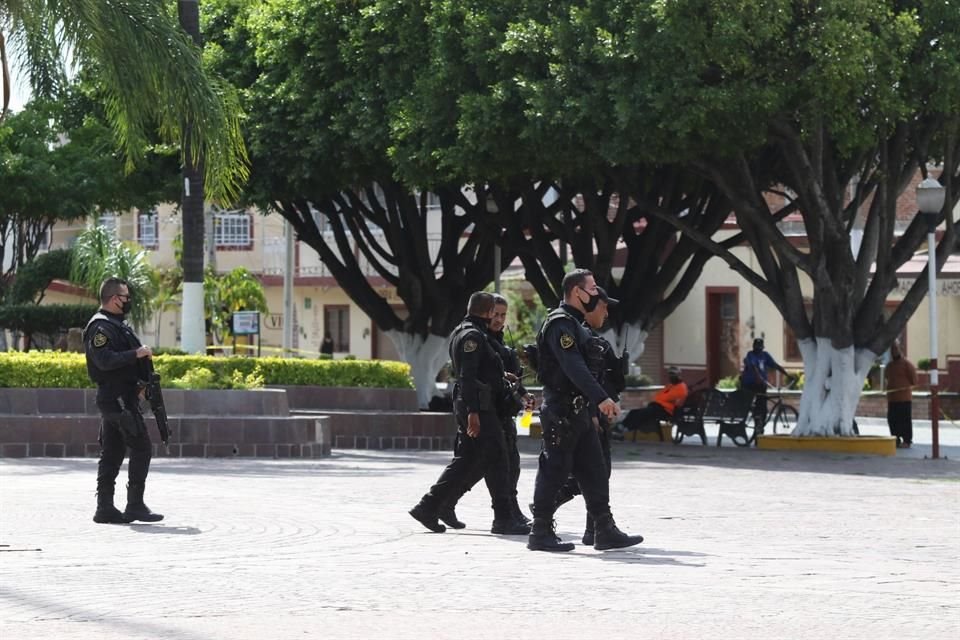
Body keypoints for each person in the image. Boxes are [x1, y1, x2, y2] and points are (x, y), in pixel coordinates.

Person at [528, 269, 643, 552]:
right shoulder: (559, 324)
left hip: (578, 412)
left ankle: (604, 529)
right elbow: (572, 366)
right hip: (561, 410)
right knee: (554, 469)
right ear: (577, 292)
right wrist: (602, 398)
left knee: (595, 470)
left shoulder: (577, 325)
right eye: (592, 289)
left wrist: (592, 407)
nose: (596, 293)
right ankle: (540, 532)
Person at [409, 292, 529, 536]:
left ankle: (430, 506)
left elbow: (481, 369)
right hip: (478, 407)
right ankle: (503, 518)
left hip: (479, 405)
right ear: (486, 312)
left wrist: (503, 376)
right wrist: (474, 412)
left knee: (469, 460)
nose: (496, 317)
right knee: (497, 457)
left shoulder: (472, 332)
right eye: (493, 312)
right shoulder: (472, 335)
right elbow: (467, 376)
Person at [83, 277, 163, 524]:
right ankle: (134, 505)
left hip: (122, 396)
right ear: (115, 298)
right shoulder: (101, 327)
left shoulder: (117, 325)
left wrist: (140, 384)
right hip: (114, 398)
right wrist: (136, 353)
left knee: (113, 452)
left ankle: (105, 507)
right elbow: (104, 360)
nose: (129, 301)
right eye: (126, 297)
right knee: (141, 447)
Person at [554, 286, 628, 545]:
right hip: (586, 414)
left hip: (597, 413)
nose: (606, 312)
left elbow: (609, 379)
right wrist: (594, 413)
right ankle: (546, 511)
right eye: (603, 306)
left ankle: (595, 529)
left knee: (596, 472)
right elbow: (580, 378)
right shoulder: (576, 336)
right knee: (586, 472)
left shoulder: (595, 341)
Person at [620, 366, 689, 439]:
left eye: (673, 374)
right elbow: (659, 396)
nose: (671, 376)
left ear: (679, 375)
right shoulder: (671, 385)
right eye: (670, 374)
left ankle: (625, 429)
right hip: (658, 407)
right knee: (634, 411)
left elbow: (667, 398)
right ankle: (621, 426)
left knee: (642, 414)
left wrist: (660, 399)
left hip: (666, 410)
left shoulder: (681, 388)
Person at [741, 337, 794, 431]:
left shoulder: (765, 355)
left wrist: (787, 375)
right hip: (750, 384)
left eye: (760, 347)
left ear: (762, 347)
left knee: (763, 408)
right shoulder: (750, 354)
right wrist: (759, 378)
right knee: (756, 406)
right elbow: (753, 367)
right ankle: (756, 422)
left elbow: (775, 365)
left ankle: (760, 425)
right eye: (756, 347)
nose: (758, 349)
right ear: (753, 347)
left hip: (761, 385)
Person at [885, 342, 917, 449]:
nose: (894, 351)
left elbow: (914, 380)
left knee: (905, 420)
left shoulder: (907, 365)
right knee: (892, 419)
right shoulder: (889, 366)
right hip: (892, 399)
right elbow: (887, 378)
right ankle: (896, 439)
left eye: (896, 349)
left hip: (904, 399)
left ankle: (907, 440)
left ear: (900, 349)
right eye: (892, 350)